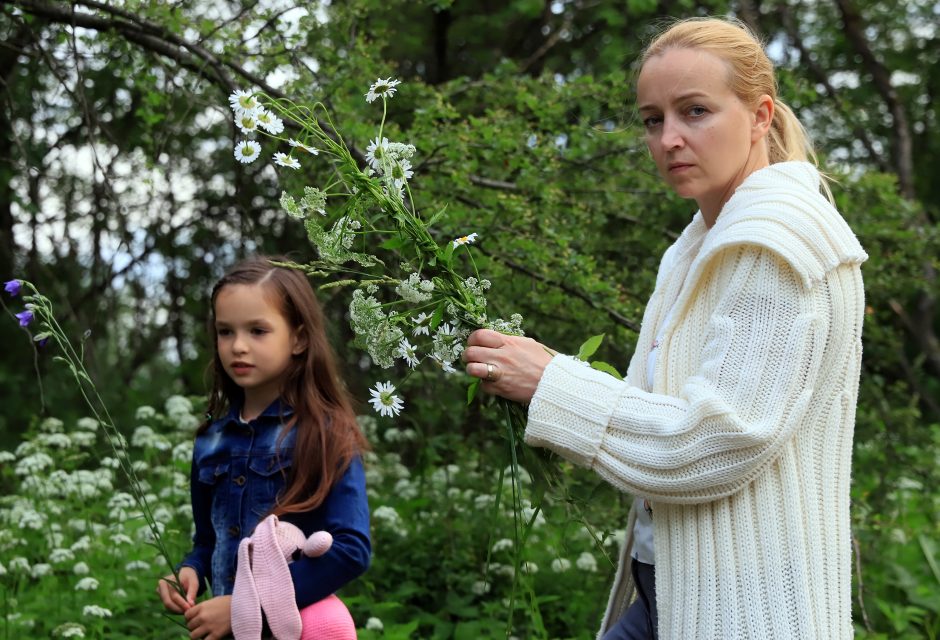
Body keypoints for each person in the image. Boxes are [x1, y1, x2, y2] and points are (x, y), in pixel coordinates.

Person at [463, 17, 867, 640]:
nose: (669, 138)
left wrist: (551, 384)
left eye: (695, 111)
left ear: (760, 116)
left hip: (747, 608)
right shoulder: (698, 247)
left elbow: (717, 441)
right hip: (672, 587)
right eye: (654, 119)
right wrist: (542, 375)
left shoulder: (776, 247)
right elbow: (655, 415)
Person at [156, 256, 371, 639]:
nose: (238, 346)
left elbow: (351, 550)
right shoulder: (211, 440)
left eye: (258, 330)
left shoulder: (324, 432)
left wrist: (245, 606)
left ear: (300, 338)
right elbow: (209, 540)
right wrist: (190, 570)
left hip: (298, 629)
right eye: (225, 332)